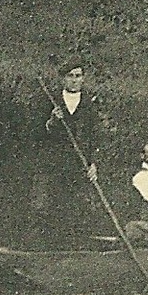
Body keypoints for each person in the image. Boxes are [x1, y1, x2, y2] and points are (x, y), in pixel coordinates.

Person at [32, 60, 106, 241]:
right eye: (70, 76)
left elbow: (94, 137)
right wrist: (51, 121)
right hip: (54, 165)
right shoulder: (50, 101)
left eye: (78, 76)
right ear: (63, 79)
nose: (74, 80)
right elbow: (37, 135)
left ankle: (75, 248)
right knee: (50, 206)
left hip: (78, 165)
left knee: (77, 208)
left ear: (83, 79)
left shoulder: (89, 105)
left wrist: (93, 163)